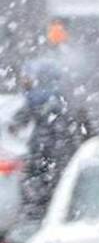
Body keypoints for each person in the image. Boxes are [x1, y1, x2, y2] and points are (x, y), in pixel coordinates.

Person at [11, 58, 93, 222]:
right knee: (59, 189)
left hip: (43, 151)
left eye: (29, 76)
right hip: (62, 151)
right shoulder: (61, 96)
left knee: (38, 192)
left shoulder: (36, 98)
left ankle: (37, 219)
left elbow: (19, 121)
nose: (25, 80)